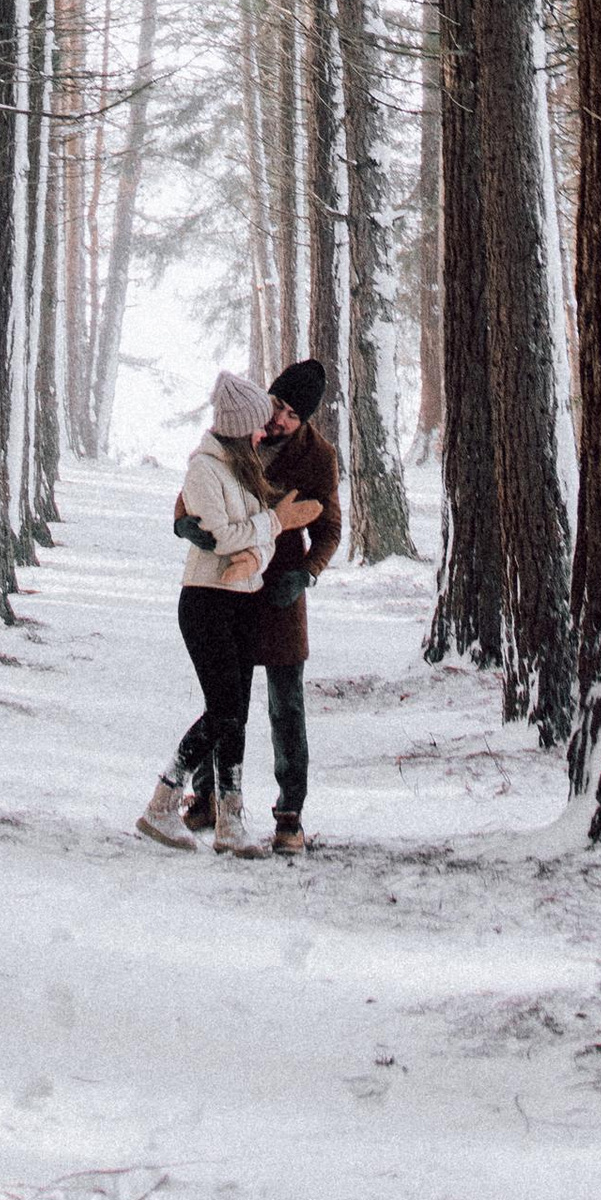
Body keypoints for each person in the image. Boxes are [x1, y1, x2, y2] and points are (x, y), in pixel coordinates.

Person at [136, 371, 322, 857]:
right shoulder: (212, 466)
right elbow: (224, 531)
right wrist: (270, 524)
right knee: (223, 710)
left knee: (247, 711)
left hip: (252, 596)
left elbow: (262, 535)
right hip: (208, 598)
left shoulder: (256, 464)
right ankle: (169, 802)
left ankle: (242, 820)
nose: (272, 426)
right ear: (245, 423)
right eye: (269, 413)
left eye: (289, 415)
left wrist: (272, 558)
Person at [178, 358, 339, 859]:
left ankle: (290, 813)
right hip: (232, 584)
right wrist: (183, 523)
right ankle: (208, 798)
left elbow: (329, 527)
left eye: (293, 414)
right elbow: (192, 495)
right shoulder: (238, 434)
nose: (280, 419)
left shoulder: (318, 457)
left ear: (307, 419)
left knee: (286, 705)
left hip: (282, 591)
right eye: (278, 404)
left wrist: (308, 572)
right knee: (227, 698)